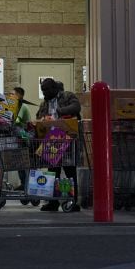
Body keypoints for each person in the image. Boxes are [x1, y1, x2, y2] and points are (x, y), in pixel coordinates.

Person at [34, 78, 82, 212]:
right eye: (42, 90)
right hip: (52, 140)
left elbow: (76, 107)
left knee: (70, 171)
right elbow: (39, 116)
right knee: (52, 172)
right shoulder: (44, 103)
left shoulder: (67, 96)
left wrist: (60, 111)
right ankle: (53, 202)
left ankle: (72, 201)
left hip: (68, 139)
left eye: (46, 90)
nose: (44, 93)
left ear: (54, 88)